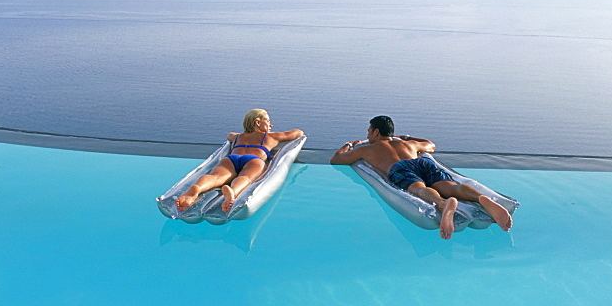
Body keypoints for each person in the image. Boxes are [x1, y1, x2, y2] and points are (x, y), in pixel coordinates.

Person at [330, 115, 513, 240]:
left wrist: (349, 144)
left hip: (399, 168)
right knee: (450, 186)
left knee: (419, 189)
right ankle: (481, 198)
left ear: (376, 132)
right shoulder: (406, 143)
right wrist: (407, 136)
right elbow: (430, 145)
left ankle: (442, 204)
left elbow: (336, 160)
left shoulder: (367, 148)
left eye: (369, 132)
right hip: (421, 162)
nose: (367, 136)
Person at [175, 109, 304, 213]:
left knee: (214, 177)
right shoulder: (270, 137)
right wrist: (274, 133)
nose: (271, 125)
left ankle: (196, 189)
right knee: (245, 178)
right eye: (268, 121)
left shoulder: (238, 137)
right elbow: (298, 133)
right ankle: (233, 191)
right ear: (258, 123)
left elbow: (229, 135)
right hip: (253, 160)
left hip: (231, 158)